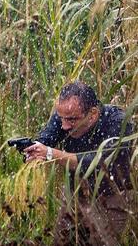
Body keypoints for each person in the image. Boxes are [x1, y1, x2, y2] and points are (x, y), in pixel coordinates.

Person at [24, 81, 135, 245]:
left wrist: (49, 153)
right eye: (61, 118)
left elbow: (98, 162)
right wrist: (32, 148)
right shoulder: (65, 116)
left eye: (71, 120)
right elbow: (46, 138)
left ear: (93, 114)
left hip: (112, 199)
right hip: (75, 195)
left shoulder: (118, 122)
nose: (64, 126)